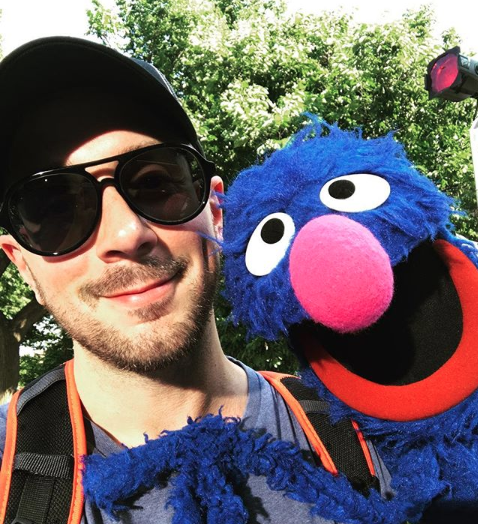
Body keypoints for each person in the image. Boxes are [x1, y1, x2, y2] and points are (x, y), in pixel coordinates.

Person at [0, 37, 391, 523]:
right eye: (56, 208)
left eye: (154, 183)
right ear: (23, 264)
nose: (126, 234)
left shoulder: (370, 438)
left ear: (216, 212)